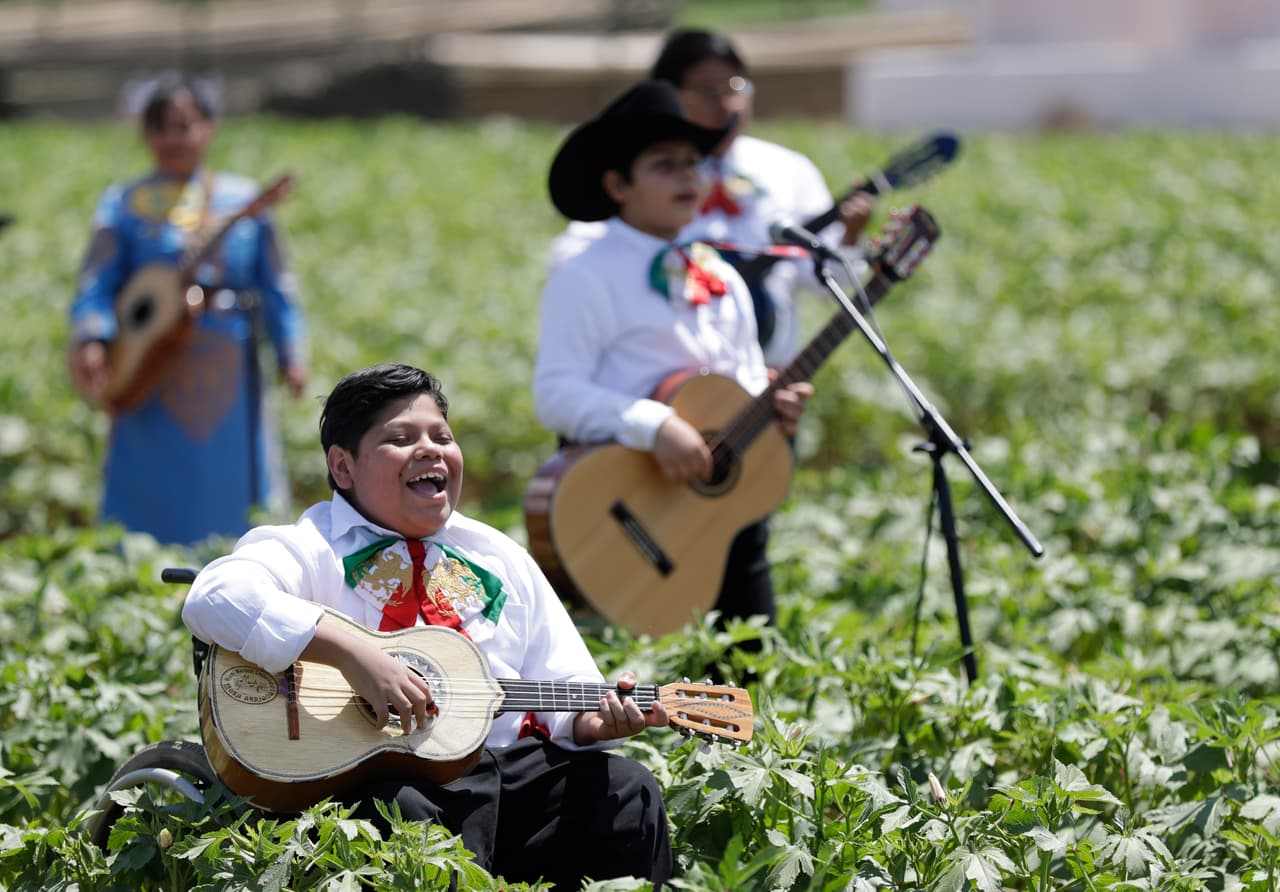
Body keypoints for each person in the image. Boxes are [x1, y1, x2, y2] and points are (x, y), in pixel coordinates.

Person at [182, 363, 673, 888]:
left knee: (626, 791)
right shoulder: (311, 546)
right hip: (376, 785)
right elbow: (215, 595)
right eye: (400, 438)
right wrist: (353, 654)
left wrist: (592, 724)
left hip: (504, 770)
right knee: (404, 811)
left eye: (442, 436)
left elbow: (567, 686)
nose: (430, 449)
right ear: (343, 467)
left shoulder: (497, 555)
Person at [533, 80, 812, 629]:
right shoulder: (585, 274)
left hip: (724, 513)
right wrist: (654, 424)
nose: (689, 176)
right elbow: (555, 393)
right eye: (666, 164)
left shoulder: (722, 276)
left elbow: (742, 382)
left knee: (751, 672)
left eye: (695, 162)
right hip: (627, 511)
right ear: (617, 184)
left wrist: (774, 407)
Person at [68, 74, 308, 545]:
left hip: (230, 362)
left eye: (185, 125)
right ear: (145, 134)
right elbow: (97, 280)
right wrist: (92, 337)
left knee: (235, 476)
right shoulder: (122, 203)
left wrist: (291, 352)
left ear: (209, 128)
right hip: (146, 363)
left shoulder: (243, 199)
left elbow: (277, 283)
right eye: (161, 127)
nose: (174, 138)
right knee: (146, 468)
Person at [551, 29, 875, 368]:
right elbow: (576, 259)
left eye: (735, 87)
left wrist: (851, 236)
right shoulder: (631, 186)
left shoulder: (789, 171)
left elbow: (826, 284)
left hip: (766, 386)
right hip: (663, 392)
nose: (725, 104)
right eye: (706, 92)